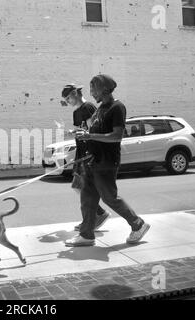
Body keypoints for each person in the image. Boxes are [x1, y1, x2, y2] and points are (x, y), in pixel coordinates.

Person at [65, 75, 150, 247]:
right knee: (87, 198)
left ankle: (138, 224)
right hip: (93, 161)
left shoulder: (117, 107)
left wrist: (90, 135)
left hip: (107, 162)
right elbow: (93, 133)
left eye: (93, 89)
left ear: (104, 89)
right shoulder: (99, 109)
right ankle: (87, 235)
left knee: (110, 198)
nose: (91, 93)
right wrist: (82, 134)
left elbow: (116, 136)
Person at [61, 84, 111, 232]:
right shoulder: (76, 112)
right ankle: (97, 215)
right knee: (78, 187)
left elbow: (94, 129)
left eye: (68, 97)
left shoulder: (88, 107)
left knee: (85, 188)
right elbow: (80, 130)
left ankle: (92, 220)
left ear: (76, 93)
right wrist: (72, 132)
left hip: (91, 153)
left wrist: (79, 133)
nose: (67, 101)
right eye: (65, 99)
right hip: (81, 153)